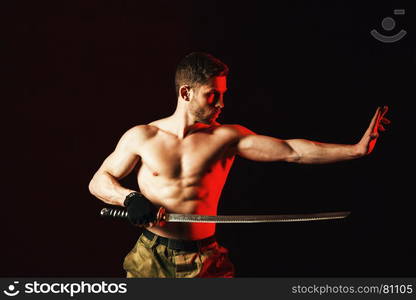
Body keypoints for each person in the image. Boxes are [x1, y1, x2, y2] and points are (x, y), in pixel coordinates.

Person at [88, 52, 390, 278]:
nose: (221, 104)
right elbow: (99, 180)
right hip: (151, 257)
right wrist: (128, 198)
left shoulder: (226, 137)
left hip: (205, 258)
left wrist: (354, 151)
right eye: (212, 95)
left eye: (223, 95)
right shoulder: (143, 136)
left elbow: (291, 151)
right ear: (185, 92)